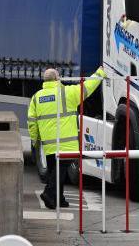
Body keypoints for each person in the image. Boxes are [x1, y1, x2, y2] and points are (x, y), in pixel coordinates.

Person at [28, 66, 106, 210]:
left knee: (54, 170)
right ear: (57, 79)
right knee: (60, 170)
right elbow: (88, 86)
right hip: (66, 143)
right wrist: (100, 73)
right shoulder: (67, 92)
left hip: (49, 144)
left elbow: (32, 122)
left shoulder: (36, 97)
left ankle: (59, 198)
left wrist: (35, 140)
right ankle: (49, 194)